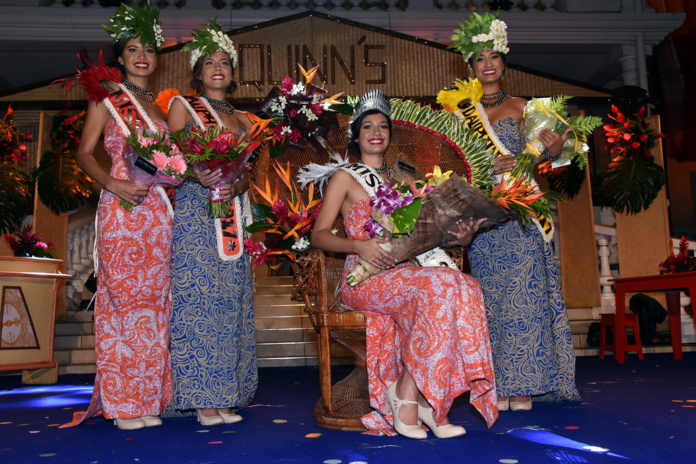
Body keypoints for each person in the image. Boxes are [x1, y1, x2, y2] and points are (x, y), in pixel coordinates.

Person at [310, 90, 498, 439]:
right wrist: (357, 244)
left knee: (465, 287)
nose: (376, 131)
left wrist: (461, 237)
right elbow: (318, 236)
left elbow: (427, 237)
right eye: (367, 126)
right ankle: (415, 399)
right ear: (357, 135)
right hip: (366, 279)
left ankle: (418, 396)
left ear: (390, 134)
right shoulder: (345, 177)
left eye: (383, 125)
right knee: (441, 286)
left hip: (410, 273)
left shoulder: (409, 180)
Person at [444, 12, 581, 411]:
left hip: (522, 213)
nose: (487, 65)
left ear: (504, 62)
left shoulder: (527, 107)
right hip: (485, 220)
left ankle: (524, 386)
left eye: (493, 57)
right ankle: (498, 383)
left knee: (526, 299)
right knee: (492, 302)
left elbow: (566, 158)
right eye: (478, 59)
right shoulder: (459, 115)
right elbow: (453, 171)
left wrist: (554, 153)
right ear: (469, 67)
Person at [61, 3, 172, 431]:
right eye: (132, 48)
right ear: (121, 58)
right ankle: (123, 403)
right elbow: (84, 153)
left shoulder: (162, 108)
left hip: (160, 215)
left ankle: (148, 400)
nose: (142, 55)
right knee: (123, 303)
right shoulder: (108, 99)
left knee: (155, 306)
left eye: (149, 48)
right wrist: (114, 183)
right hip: (121, 210)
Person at [166, 19, 258, 427]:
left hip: (231, 213)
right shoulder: (182, 108)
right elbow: (166, 158)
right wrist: (193, 173)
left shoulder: (244, 119)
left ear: (233, 73)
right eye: (209, 63)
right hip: (195, 212)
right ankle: (202, 398)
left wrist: (239, 181)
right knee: (198, 299)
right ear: (198, 72)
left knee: (229, 300)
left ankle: (225, 394)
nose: (218, 69)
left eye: (225, 63)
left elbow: (252, 172)